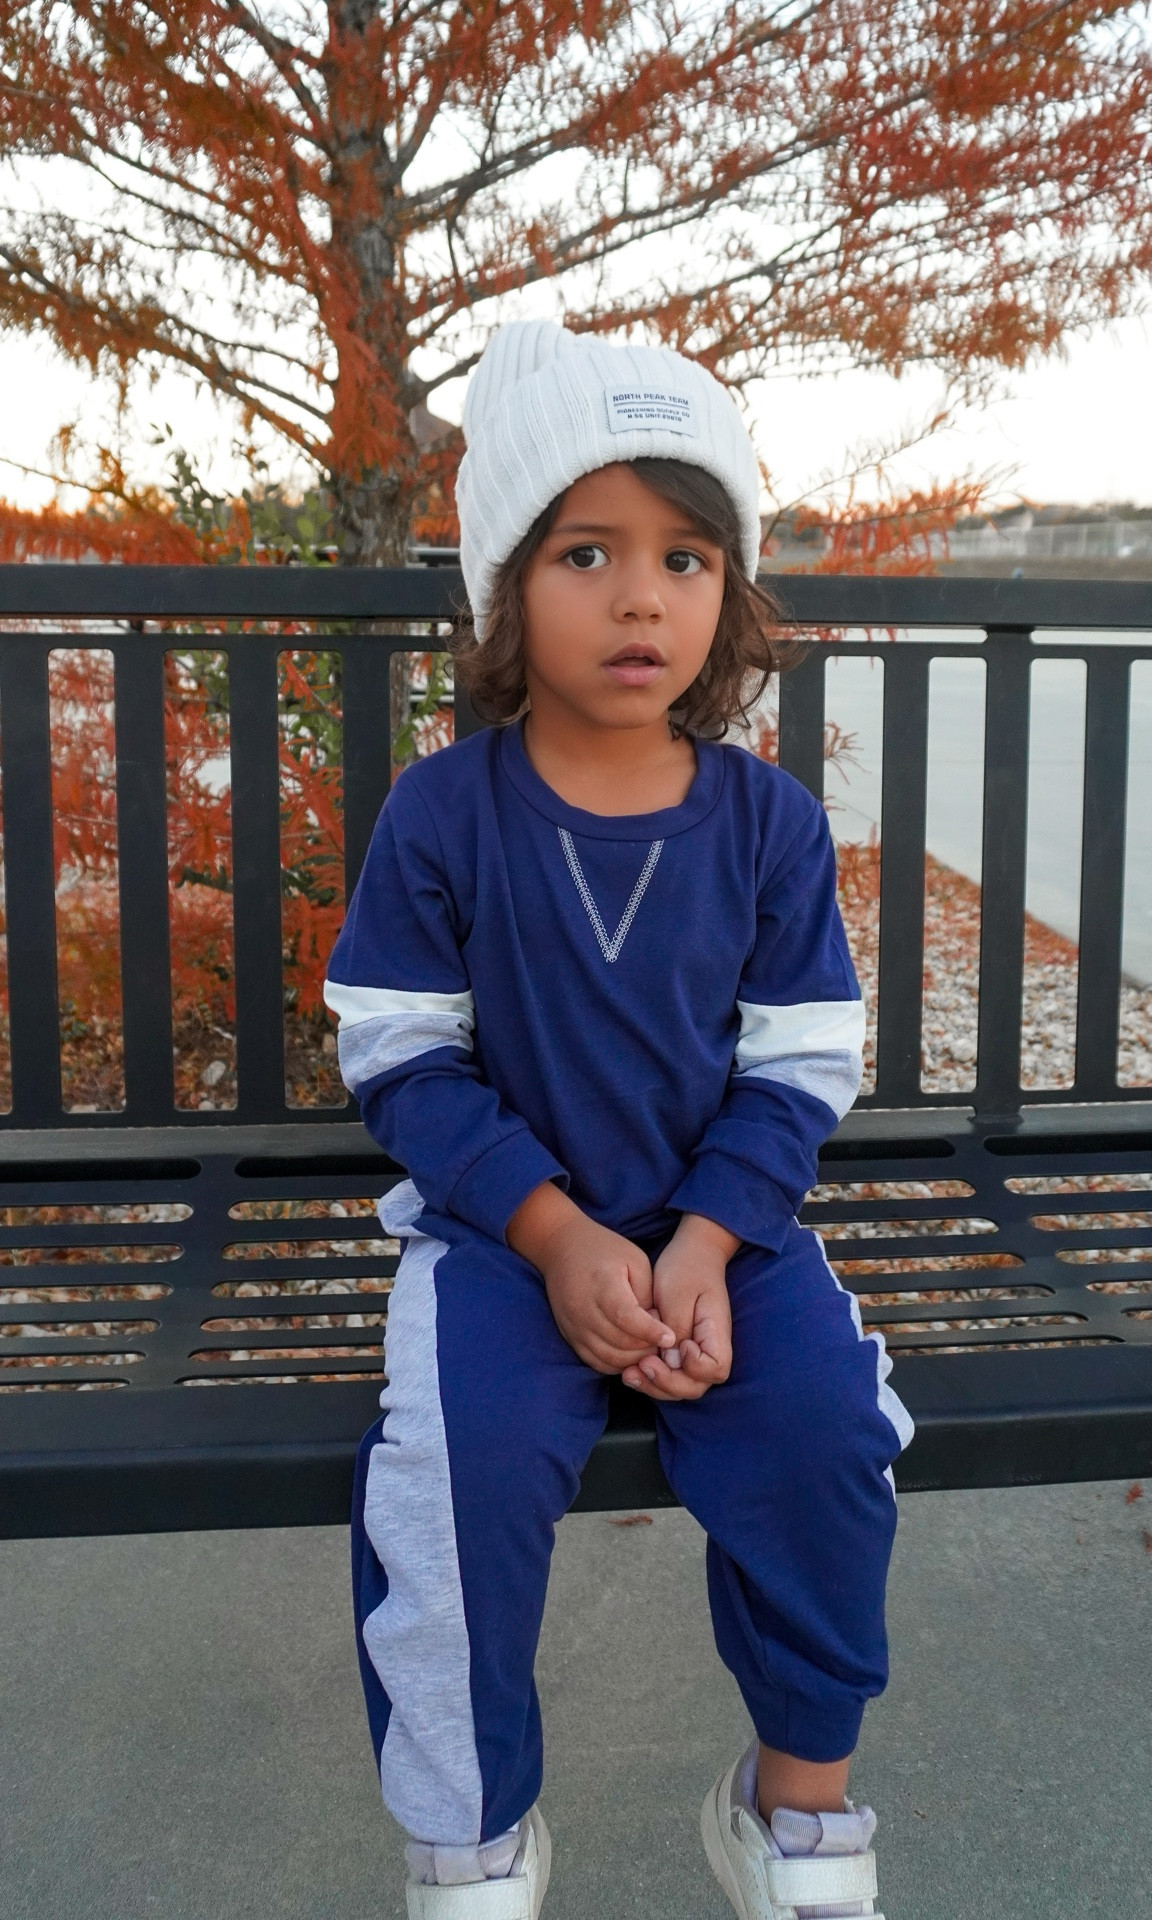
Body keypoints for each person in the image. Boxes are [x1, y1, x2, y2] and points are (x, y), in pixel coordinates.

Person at [324, 322, 914, 1920]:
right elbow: (400, 1054)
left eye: (684, 556)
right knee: (450, 1479)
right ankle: (472, 1835)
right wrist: (553, 1230)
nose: (640, 596)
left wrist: (709, 1243)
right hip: (504, 1241)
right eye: (586, 552)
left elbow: (799, 1065)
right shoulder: (446, 813)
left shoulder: (768, 824)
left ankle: (797, 1808)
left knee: (828, 1434)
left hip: (730, 1238)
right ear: (509, 584)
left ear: (728, 590)